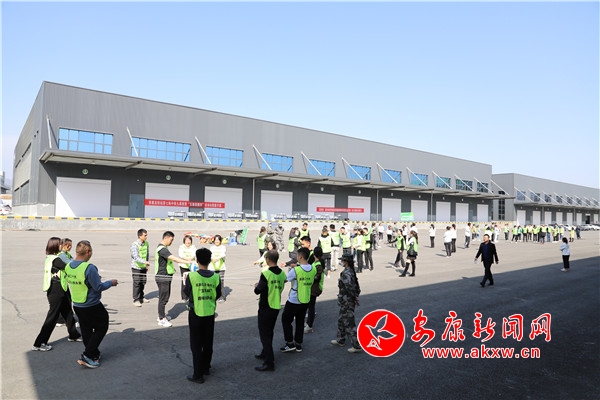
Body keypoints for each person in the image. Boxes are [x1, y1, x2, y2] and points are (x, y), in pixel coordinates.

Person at [64, 240, 118, 368]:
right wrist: (111, 282)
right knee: (102, 326)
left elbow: (80, 281)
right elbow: (98, 287)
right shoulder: (89, 267)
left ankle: (94, 353)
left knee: (86, 329)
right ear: (88, 251)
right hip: (91, 304)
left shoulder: (68, 266)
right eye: (91, 252)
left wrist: (94, 279)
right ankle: (87, 355)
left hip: (77, 304)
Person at [32, 237, 82, 352]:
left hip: (62, 288)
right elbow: (69, 268)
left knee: (68, 312)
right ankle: (39, 343)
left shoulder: (50, 257)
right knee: (52, 317)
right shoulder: (56, 259)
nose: (62, 246)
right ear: (55, 246)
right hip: (56, 290)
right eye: (60, 244)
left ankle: (73, 335)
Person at [184, 248, 222, 383]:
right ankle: (206, 367)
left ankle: (198, 374)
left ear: (197, 260)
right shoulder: (216, 277)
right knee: (207, 342)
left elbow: (187, 292)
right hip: (210, 313)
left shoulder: (192, 276)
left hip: (196, 312)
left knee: (196, 345)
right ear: (209, 261)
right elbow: (218, 294)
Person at [253, 250, 286, 372]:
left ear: (267, 260)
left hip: (266, 306)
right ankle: (265, 352)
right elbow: (281, 284)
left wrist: (257, 286)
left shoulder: (266, 274)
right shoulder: (282, 273)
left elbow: (258, 290)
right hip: (276, 305)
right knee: (269, 332)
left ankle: (269, 362)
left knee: (264, 334)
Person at [280, 247, 316, 353]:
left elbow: (285, 280)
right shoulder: (313, 268)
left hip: (294, 300)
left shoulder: (296, 270)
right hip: (305, 298)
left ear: (300, 256)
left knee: (286, 320)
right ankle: (298, 344)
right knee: (300, 322)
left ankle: (290, 343)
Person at [155, 231, 194, 327]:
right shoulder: (162, 249)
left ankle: (162, 315)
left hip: (166, 276)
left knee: (164, 297)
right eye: (171, 240)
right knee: (164, 298)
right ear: (166, 238)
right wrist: (187, 262)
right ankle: (161, 319)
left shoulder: (164, 248)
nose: (171, 242)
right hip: (163, 277)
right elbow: (174, 258)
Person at [330, 254, 362, 353]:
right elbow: (356, 287)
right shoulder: (351, 271)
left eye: (343, 260)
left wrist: (353, 298)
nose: (341, 262)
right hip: (346, 300)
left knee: (349, 322)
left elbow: (349, 288)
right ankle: (340, 339)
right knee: (341, 319)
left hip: (347, 300)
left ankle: (356, 345)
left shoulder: (346, 273)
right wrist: (355, 297)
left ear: (346, 262)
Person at [304, 247, 325, 334]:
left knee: (311, 307)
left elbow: (317, 277)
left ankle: (309, 325)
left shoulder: (318, 264)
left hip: (315, 288)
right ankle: (308, 322)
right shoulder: (316, 262)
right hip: (312, 287)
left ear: (314, 254)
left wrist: (308, 278)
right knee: (310, 306)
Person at [130, 229, 150, 307]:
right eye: (145, 235)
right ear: (139, 236)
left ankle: (141, 297)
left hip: (143, 267)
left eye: (146, 235)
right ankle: (136, 299)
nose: (146, 237)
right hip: (136, 267)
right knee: (137, 283)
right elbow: (135, 257)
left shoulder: (146, 243)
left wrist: (147, 265)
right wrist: (144, 262)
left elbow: (147, 254)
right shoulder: (134, 245)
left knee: (143, 282)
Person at [178, 235, 197, 302]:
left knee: (191, 281)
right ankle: (184, 297)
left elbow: (194, 254)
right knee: (184, 281)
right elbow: (181, 255)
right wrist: (187, 259)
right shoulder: (181, 247)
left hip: (192, 267)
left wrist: (191, 259)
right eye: (186, 240)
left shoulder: (193, 247)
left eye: (189, 240)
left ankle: (191, 296)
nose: (188, 241)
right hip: (183, 266)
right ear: (184, 241)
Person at [209, 235, 227, 303]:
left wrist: (217, 258)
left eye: (218, 240)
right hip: (212, 267)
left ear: (220, 241)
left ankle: (222, 297)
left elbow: (223, 254)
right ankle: (213, 296)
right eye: (215, 240)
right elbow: (210, 255)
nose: (216, 241)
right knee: (212, 283)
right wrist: (212, 258)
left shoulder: (223, 247)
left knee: (220, 282)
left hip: (221, 267)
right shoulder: (212, 247)